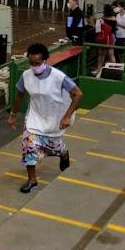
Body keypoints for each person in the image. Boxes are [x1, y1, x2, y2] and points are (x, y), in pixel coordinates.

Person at [9, 43, 82, 193]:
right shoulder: (26, 76)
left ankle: (63, 153)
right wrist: (13, 115)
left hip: (55, 117)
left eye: (37, 63)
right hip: (35, 118)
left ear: (45, 60)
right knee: (28, 145)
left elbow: (78, 94)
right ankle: (32, 180)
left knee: (54, 147)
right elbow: (19, 96)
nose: (34, 66)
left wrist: (67, 116)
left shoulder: (58, 77)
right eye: (31, 63)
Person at [95, 4, 117, 70]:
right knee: (107, 54)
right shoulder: (111, 18)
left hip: (107, 37)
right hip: (107, 37)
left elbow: (110, 29)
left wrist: (103, 23)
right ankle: (100, 69)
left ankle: (101, 69)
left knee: (106, 55)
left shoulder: (106, 19)